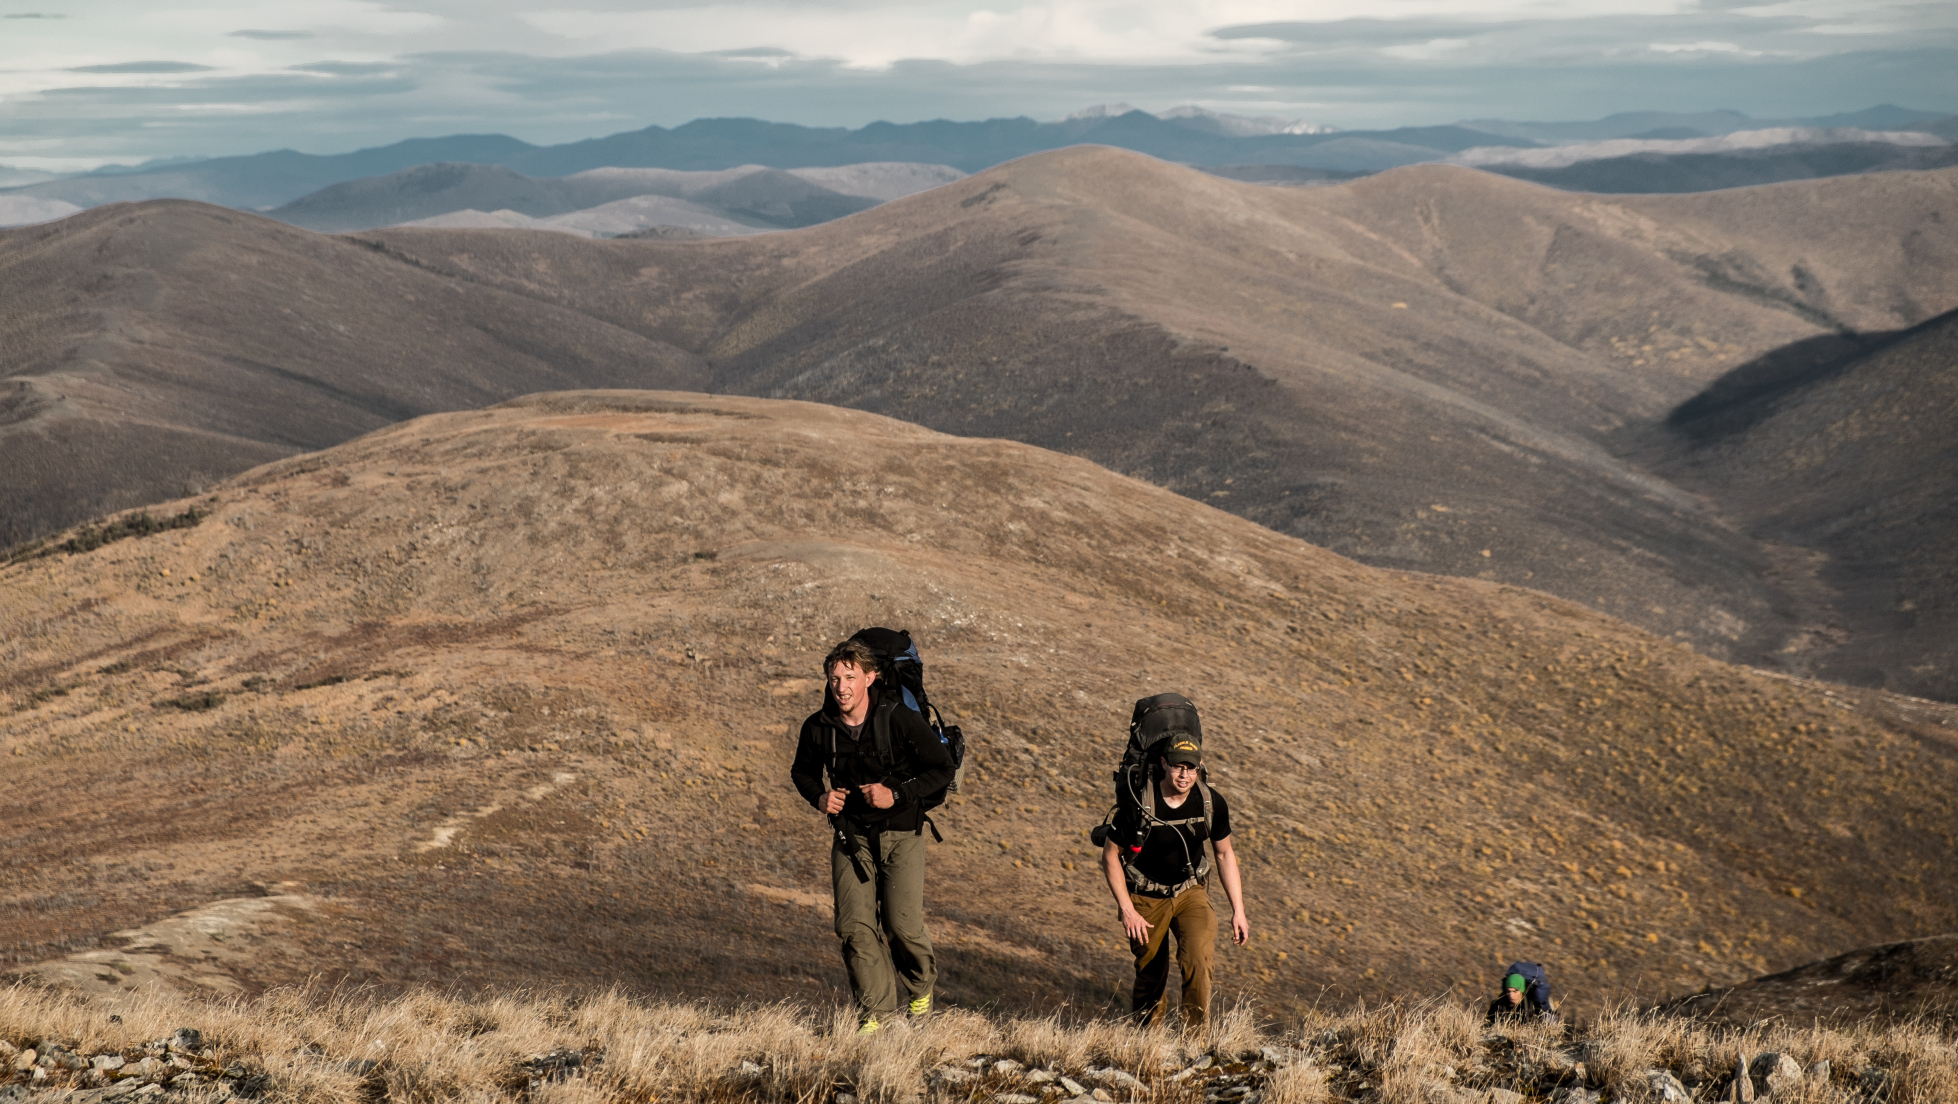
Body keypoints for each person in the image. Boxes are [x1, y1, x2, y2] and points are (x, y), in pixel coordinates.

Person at [790, 637, 956, 1035]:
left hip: (901, 834)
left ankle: (920, 988)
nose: (841, 686)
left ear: (870, 677)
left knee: (902, 926)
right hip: (851, 838)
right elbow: (802, 771)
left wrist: (895, 794)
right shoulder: (818, 727)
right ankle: (875, 1016)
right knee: (853, 927)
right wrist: (819, 797)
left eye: (850, 677)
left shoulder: (898, 718)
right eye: (834, 678)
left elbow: (942, 768)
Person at [1101, 733, 1248, 1028]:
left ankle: (1194, 1045)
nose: (1185, 774)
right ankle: (1148, 1043)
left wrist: (1239, 910)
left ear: (1200, 766)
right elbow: (1109, 856)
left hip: (1189, 892)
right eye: (1179, 766)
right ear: (1164, 764)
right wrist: (1128, 910)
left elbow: (1224, 854)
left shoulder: (1210, 802)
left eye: (1191, 767)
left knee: (1199, 961)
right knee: (1151, 973)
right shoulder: (1138, 804)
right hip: (1145, 896)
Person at [1486, 970, 1560, 1025]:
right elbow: (1488, 1024)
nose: (1511, 995)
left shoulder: (1534, 1004)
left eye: (1515, 991)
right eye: (1509, 991)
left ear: (1522, 991)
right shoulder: (1498, 1005)